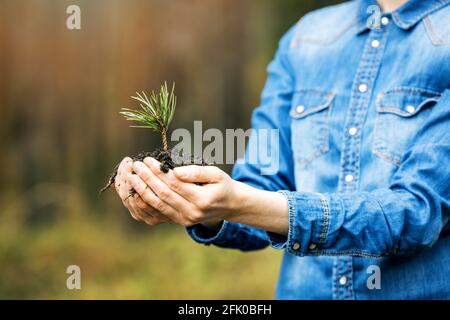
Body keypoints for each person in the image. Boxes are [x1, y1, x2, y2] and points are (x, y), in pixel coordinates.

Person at [114, 0, 450, 299]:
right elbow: (262, 186)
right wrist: (202, 204)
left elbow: (417, 212)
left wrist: (243, 203)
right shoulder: (305, 38)